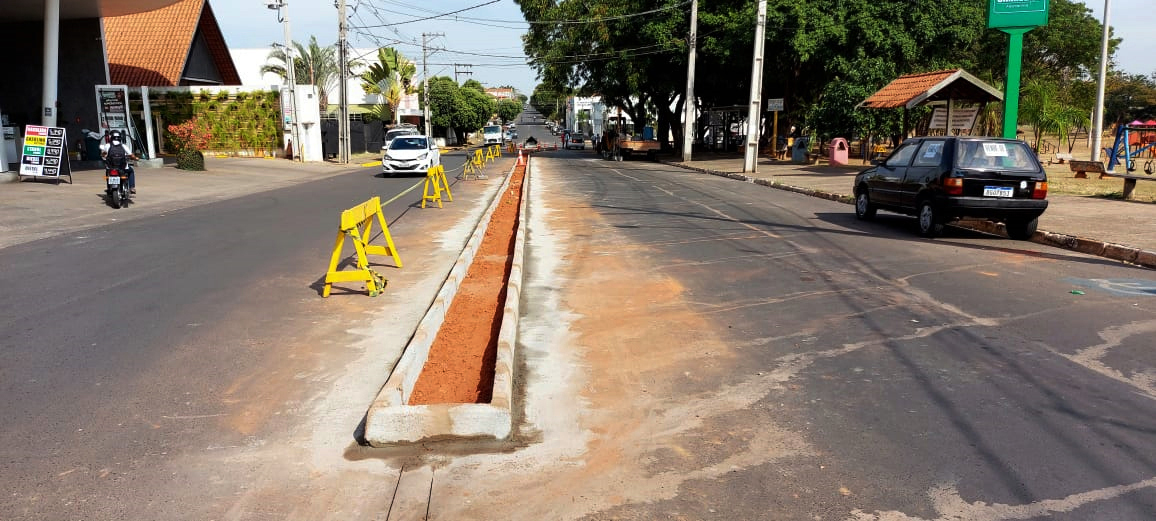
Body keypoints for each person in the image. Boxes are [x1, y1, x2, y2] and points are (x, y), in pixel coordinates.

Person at [100, 130, 137, 194]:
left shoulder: (107, 145)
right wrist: (135, 158)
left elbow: (103, 154)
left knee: (107, 171)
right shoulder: (123, 146)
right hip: (122, 168)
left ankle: (109, 187)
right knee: (131, 171)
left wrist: (104, 156)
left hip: (111, 167)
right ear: (120, 137)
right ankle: (132, 187)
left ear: (111, 137)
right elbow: (131, 155)